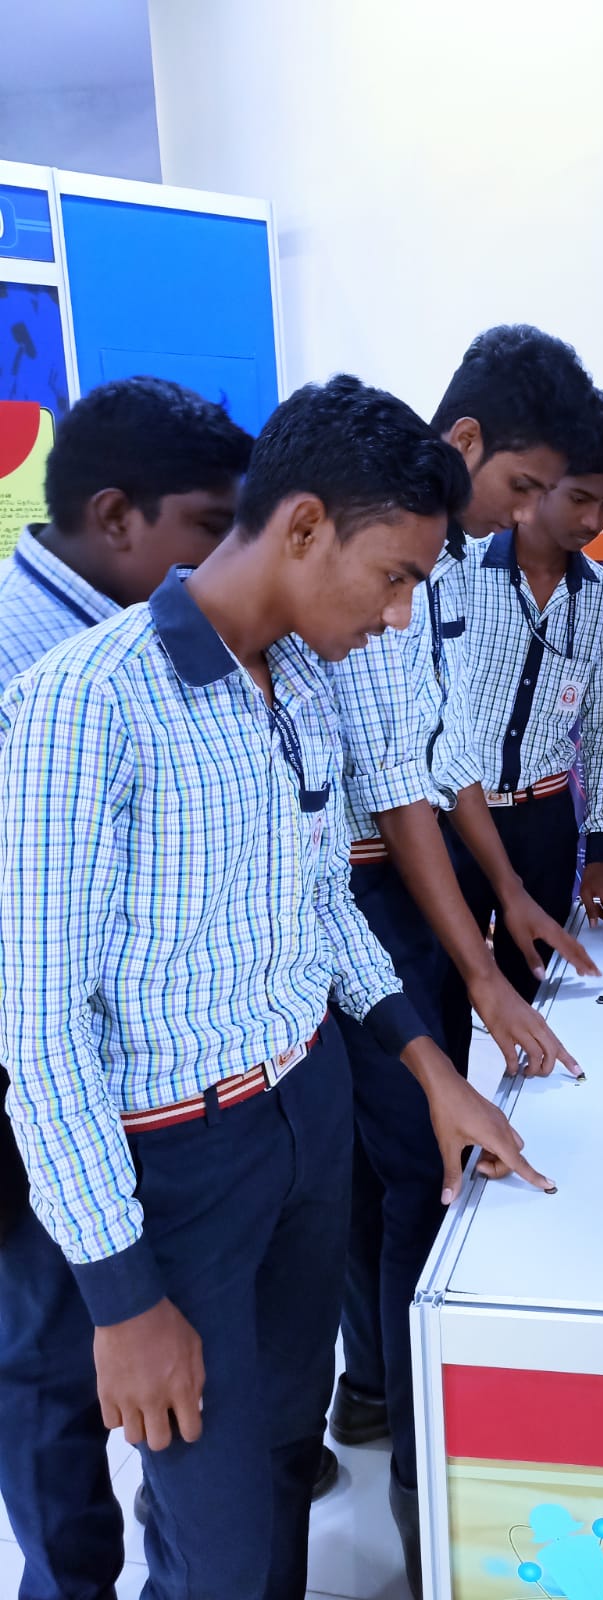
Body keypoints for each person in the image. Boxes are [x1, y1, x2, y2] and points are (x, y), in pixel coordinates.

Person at [0, 374, 551, 1600]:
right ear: (303, 526)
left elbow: (322, 907)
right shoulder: (85, 708)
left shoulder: (296, 684)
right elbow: (38, 1033)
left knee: (288, 1456)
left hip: (306, 1110)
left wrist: (429, 1066)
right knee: (218, 1540)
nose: (400, 617)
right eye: (394, 578)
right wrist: (120, 1296)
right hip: (177, 1163)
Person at [322, 327, 600, 1590]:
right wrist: (477, 968)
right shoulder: (389, 545)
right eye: (526, 486)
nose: (530, 514)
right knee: (408, 1176)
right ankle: (416, 1465)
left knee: (391, 1171)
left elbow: (436, 759)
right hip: (359, 898)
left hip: (406, 887)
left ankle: (380, 1393)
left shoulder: (433, 566)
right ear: (469, 440)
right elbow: (395, 792)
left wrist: (504, 919)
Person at [0, 376, 253, 1600]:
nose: (224, 557)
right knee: (51, 1348)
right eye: (208, 525)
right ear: (115, 516)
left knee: (137, 1341)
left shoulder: (161, 641)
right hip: (33, 1070)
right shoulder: (35, 666)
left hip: (132, 1077)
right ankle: (69, 1581)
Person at [440, 389, 603, 1042]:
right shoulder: (457, 568)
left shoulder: (601, 596)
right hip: (451, 818)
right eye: (580, 497)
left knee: (537, 996)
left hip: (545, 827)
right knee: (442, 994)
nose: (594, 520)